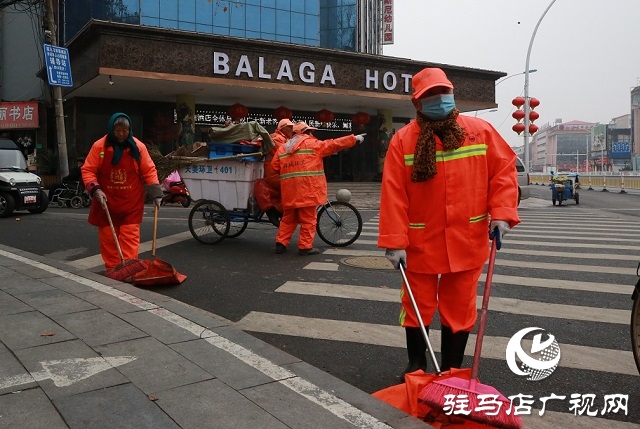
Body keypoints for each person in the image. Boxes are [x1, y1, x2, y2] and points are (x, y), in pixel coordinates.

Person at [377, 67, 520, 378]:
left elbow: (504, 172)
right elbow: (393, 193)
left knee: (460, 309)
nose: (438, 100)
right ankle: (417, 364)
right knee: (417, 306)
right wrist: (394, 241)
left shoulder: (479, 131)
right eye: (429, 95)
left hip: (467, 238)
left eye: (442, 92)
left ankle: (453, 369)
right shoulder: (403, 140)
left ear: (452, 93)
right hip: (419, 242)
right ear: (417, 103)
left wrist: (502, 213)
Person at [81, 112, 163, 272]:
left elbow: (149, 170)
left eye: (124, 131)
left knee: (130, 236)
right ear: (112, 129)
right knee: (108, 238)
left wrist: (156, 192)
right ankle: (113, 269)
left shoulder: (138, 147)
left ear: (129, 130)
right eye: (117, 130)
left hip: (131, 201)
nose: (121, 134)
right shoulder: (100, 146)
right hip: (106, 200)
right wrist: (95, 189)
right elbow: (88, 170)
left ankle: (130, 268)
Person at [272, 122, 365, 255]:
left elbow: (275, 167)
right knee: (308, 220)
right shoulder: (312, 145)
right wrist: (353, 139)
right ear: (306, 133)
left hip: (290, 191)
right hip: (308, 190)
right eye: (310, 132)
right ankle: (305, 247)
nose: (312, 134)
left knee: (288, 219)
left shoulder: (283, 148)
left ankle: (280, 244)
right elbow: (334, 144)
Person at [255, 118, 294, 226]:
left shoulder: (284, 138)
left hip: (279, 172)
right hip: (273, 173)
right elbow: (286, 153)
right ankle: (274, 211)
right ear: (283, 128)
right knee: (292, 189)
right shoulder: (277, 138)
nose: (292, 130)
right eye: (290, 127)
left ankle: (280, 210)